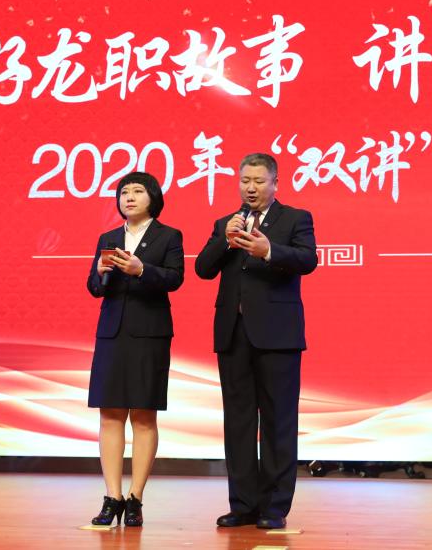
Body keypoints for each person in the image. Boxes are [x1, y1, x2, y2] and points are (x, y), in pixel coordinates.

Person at [195, 153, 318, 530]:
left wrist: (269, 251)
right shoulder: (226, 223)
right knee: (239, 422)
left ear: (275, 183)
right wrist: (226, 241)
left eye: (259, 181)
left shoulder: (295, 218)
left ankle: (274, 507)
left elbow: (308, 259)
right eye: (245, 180)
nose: (250, 188)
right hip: (233, 334)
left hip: (278, 335)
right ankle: (243, 504)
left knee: (279, 420)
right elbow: (203, 268)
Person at [86, 171, 184, 527]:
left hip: (149, 335)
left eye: (138, 191)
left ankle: (135, 498)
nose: (129, 197)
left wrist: (143, 270)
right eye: (124, 192)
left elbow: (175, 278)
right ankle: (111, 496)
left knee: (143, 416)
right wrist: (101, 272)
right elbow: (94, 287)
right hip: (112, 334)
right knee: (110, 415)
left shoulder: (169, 236)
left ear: (153, 198)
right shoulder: (109, 238)